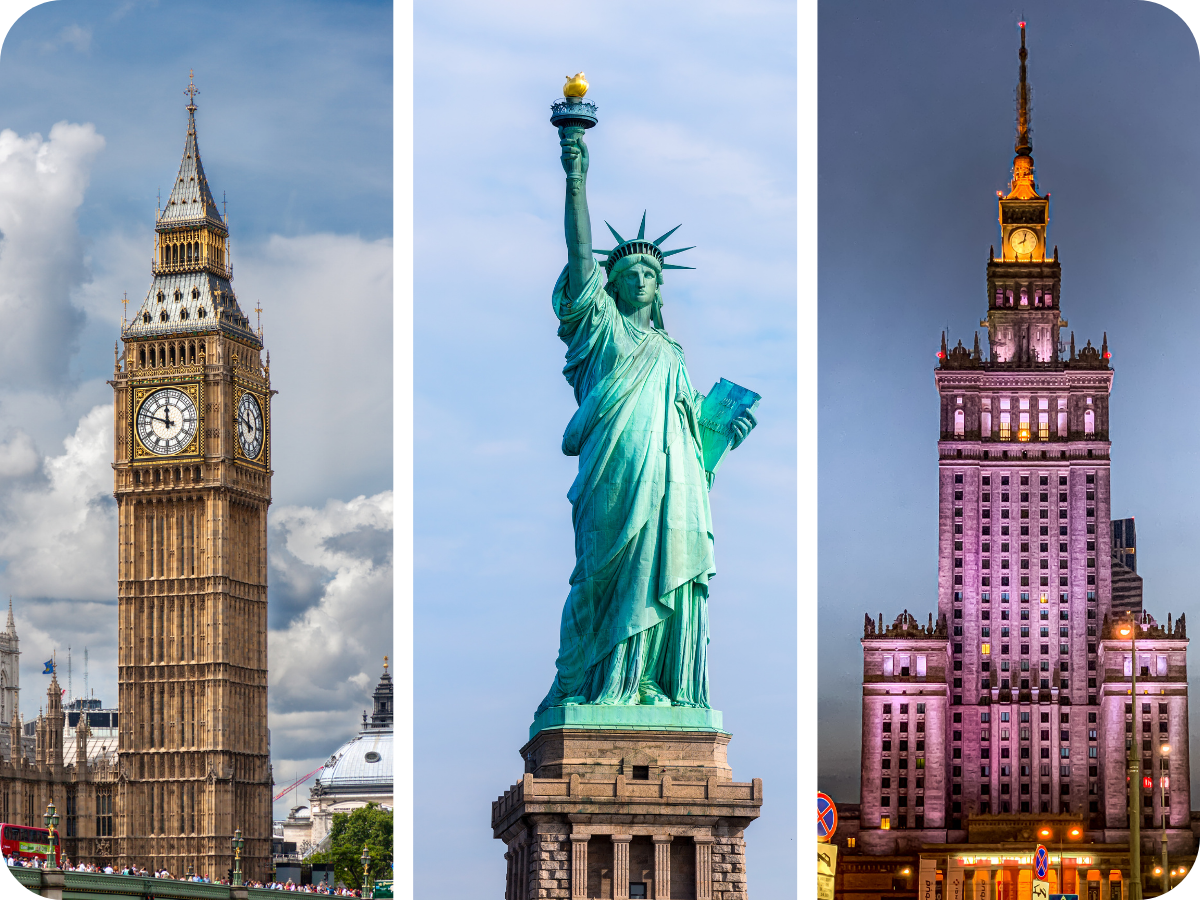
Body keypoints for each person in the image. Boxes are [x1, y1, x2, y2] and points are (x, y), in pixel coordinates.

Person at [535, 124, 756, 716]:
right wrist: (575, 174)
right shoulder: (600, 330)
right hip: (615, 472)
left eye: (650, 274)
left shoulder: (672, 355)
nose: (640, 278)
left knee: (669, 572)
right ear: (611, 284)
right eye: (628, 272)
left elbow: (693, 441)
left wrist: (721, 438)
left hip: (673, 483)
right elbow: (579, 254)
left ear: (660, 287)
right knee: (599, 577)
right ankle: (595, 683)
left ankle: (648, 685)